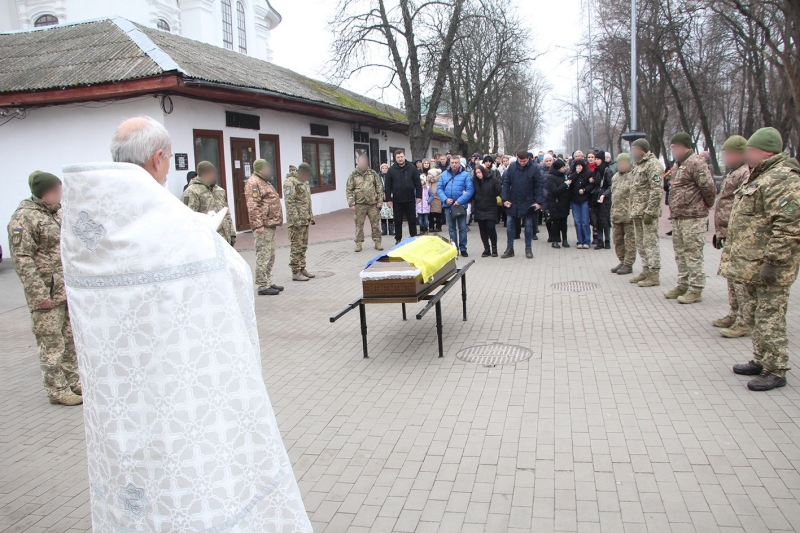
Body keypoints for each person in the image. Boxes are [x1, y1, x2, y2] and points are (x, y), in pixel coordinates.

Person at [59, 116, 312, 530]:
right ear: (159, 158)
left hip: (120, 394)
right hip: (177, 386)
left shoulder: (85, 225)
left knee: (141, 475)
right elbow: (231, 278)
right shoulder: (173, 226)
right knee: (187, 472)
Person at [724, 127, 800, 391]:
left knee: (770, 317)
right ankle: (760, 359)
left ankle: (776, 369)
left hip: (770, 265)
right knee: (755, 313)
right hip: (752, 263)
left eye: (751, 151)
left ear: (766, 151)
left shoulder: (783, 178)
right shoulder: (761, 175)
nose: (747, 155)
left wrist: (774, 262)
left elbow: (788, 226)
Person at [7, 171, 82, 406]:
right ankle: (57, 390)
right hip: (46, 293)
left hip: (64, 289)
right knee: (51, 343)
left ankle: (74, 381)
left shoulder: (57, 213)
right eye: (56, 191)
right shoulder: (23, 218)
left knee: (69, 339)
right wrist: (39, 295)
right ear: (44, 193)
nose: (60, 195)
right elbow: (22, 259)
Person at [664, 132, 716, 303]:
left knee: (693, 253)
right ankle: (683, 283)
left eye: (675, 147)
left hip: (693, 217)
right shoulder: (679, 164)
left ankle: (696, 289)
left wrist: (704, 205)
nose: (673, 151)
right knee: (680, 253)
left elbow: (708, 187)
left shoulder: (696, 162)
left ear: (684, 147)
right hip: (679, 217)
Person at [712, 136, 751, 337]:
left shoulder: (745, 173)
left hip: (741, 235)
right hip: (729, 232)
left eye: (728, 153)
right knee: (731, 276)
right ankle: (735, 313)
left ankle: (745, 320)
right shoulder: (734, 172)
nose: (725, 157)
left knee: (740, 279)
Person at [244, 159, 283, 295]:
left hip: (270, 224)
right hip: (263, 226)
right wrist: (258, 225)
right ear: (260, 169)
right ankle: (262, 285)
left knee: (270, 255)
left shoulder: (264, 181)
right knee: (263, 255)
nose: (269, 170)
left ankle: (268, 281)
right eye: (266, 168)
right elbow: (253, 205)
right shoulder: (254, 183)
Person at [628, 139, 664, 287]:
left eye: (634, 149)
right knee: (641, 243)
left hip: (647, 212)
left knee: (650, 243)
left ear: (642, 150)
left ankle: (654, 274)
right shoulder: (638, 166)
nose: (632, 152)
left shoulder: (653, 165)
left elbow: (656, 190)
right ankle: (646, 270)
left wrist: (650, 211)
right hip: (637, 211)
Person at [501, 150, 544, 259]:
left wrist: (539, 202)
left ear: (528, 159)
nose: (522, 163)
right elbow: (506, 183)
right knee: (510, 225)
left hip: (528, 202)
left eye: (524, 161)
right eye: (520, 161)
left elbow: (539, 186)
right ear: (517, 158)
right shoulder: (512, 167)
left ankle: (528, 249)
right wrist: (504, 199)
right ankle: (509, 248)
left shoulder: (534, 168)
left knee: (528, 227)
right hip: (513, 201)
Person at [181, 160, 234, 246]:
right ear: (203, 174)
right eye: (211, 173)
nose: (213, 175)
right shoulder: (192, 192)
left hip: (224, 239)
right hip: (206, 240)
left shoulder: (220, 191)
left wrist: (232, 233)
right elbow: (188, 219)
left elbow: (226, 213)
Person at [285, 162, 316, 281]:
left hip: (305, 220)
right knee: (296, 246)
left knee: (303, 246)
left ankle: (302, 268)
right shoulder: (291, 182)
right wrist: (295, 219)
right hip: (296, 222)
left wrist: (310, 216)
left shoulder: (305, 182)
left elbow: (307, 201)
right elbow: (290, 202)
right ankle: (295, 271)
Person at [438, 154, 474, 256]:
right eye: (452, 163)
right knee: (451, 228)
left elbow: (470, 190)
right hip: (448, 206)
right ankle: (454, 248)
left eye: (456, 163)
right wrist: (445, 199)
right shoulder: (444, 174)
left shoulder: (466, 175)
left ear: (459, 163)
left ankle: (463, 248)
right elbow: (439, 189)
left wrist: (460, 200)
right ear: (450, 163)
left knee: (462, 228)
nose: (454, 165)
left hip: (460, 205)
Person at [347, 154, 384, 253]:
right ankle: (358, 243)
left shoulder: (372, 173)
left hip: (373, 204)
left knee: (375, 224)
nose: (363, 163)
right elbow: (349, 189)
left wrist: (380, 201)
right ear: (358, 163)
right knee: (359, 225)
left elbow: (379, 187)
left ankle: (377, 242)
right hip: (360, 205)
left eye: (364, 162)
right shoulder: (353, 175)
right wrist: (351, 203)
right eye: (361, 162)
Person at [384, 149, 422, 243]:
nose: (400, 159)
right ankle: (398, 239)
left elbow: (418, 183)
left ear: (404, 156)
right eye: (398, 157)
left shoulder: (412, 168)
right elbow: (387, 186)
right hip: (397, 200)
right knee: (397, 221)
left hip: (410, 199)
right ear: (395, 158)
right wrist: (388, 199)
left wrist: (419, 196)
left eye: (401, 157)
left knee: (412, 220)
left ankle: (413, 237)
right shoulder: (391, 170)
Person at [609, 153, 636, 275]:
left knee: (630, 241)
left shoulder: (633, 176)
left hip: (629, 215)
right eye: (619, 163)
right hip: (616, 215)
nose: (621, 166)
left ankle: (628, 264)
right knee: (617, 240)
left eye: (623, 163)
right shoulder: (615, 177)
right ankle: (622, 260)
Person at [472, 164, 502, 257]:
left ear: (483, 171)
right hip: (479, 207)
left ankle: (494, 248)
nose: (478, 175)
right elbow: (472, 193)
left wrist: (504, 200)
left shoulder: (492, 180)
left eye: (479, 172)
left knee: (491, 227)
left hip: (490, 207)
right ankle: (486, 248)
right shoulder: (474, 181)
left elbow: (499, 190)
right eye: (476, 173)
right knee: (482, 229)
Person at [544, 159, 571, 248]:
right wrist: (565, 184)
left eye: (564, 167)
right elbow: (555, 191)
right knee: (555, 222)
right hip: (555, 203)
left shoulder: (564, 176)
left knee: (564, 222)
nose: (564, 169)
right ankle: (555, 240)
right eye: (562, 167)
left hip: (564, 202)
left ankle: (565, 240)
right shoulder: (551, 177)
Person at [569, 160, 594, 248]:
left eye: (580, 165)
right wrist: (576, 173)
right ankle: (580, 240)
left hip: (584, 200)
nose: (579, 167)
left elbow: (591, 185)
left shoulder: (588, 174)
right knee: (577, 222)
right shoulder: (573, 174)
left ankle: (587, 241)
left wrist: (584, 190)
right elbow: (569, 181)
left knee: (584, 221)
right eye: (577, 165)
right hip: (575, 200)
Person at [591, 150, 613, 249]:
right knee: (598, 221)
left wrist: (604, 194)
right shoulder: (597, 170)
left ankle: (607, 240)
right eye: (596, 159)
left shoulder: (607, 170)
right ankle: (600, 240)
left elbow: (610, 186)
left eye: (598, 159)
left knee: (605, 220)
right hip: (597, 197)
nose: (596, 161)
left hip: (605, 199)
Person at [378, 163, 394, 236]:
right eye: (383, 168)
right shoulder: (378, 177)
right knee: (383, 215)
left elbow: (393, 186)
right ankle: (384, 230)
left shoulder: (391, 176)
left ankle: (391, 230)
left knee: (390, 214)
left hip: (390, 198)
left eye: (386, 168)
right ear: (381, 169)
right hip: (381, 199)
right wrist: (382, 194)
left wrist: (389, 193)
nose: (384, 169)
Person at [428, 168, 444, 232]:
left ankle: (438, 226)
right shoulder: (428, 181)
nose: (428, 175)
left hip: (437, 199)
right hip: (429, 200)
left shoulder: (439, 181)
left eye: (430, 174)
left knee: (438, 215)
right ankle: (431, 226)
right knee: (430, 215)